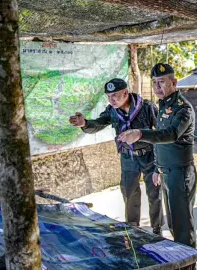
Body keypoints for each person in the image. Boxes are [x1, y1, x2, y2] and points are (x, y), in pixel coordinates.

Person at [69, 78, 163, 235]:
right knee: (129, 192)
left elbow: (161, 134)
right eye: (108, 96)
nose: (111, 99)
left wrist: (159, 165)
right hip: (128, 158)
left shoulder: (147, 107)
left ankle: (157, 228)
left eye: (114, 95)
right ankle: (133, 229)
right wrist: (85, 123)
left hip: (149, 156)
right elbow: (98, 123)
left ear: (125, 92)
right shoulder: (112, 111)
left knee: (154, 193)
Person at [118, 63, 197, 251]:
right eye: (154, 82)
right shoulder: (163, 106)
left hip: (180, 172)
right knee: (172, 222)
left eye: (161, 82)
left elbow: (170, 134)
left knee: (182, 224)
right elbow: (159, 142)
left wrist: (140, 134)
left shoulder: (183, 109)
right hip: (166, 171)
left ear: (174, 82)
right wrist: (156, 168)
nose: (157, 87)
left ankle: (188, 262)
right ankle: (180, 258)